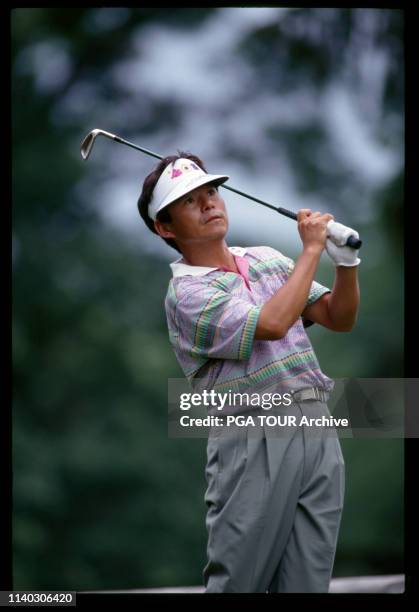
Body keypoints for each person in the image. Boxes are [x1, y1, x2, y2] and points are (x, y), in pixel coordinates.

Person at [137, 152, 360, 593]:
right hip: (252, 433)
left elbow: (338, 316)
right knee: (242, 582)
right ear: (165, 228)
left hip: (316, 423)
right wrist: (312, 249)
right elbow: (273, 323)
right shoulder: (187, 293)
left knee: (307, 582)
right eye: (189, 201)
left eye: (211, 192)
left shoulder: (265, 259)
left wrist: (345, 265)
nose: (208, 204)